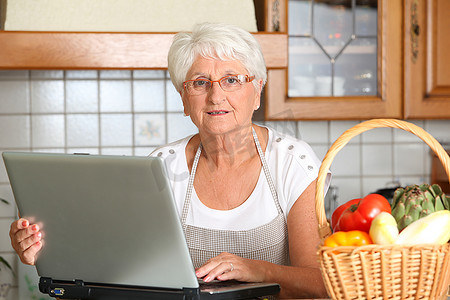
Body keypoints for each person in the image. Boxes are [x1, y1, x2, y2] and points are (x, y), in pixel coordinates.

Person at [9, 23, 330, 299]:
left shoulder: (292, 163)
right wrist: (45, 246)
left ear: (257, 90)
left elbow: (322, 285)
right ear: (183, 98)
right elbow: (122, 266)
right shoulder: (161, 167)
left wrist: (254, 270)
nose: (216, 96)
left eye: (232, 80)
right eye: (200, 82)